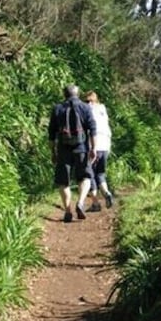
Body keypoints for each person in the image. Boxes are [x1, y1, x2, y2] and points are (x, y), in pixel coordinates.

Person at [47, 84, 97, 223]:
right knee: (85, 177)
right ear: (78, 94)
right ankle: (80, 202)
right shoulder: (85, 107)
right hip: (81, 148)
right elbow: (92, 129)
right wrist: (93, 148)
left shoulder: (58, 109)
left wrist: (53, 151)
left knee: (63, 181)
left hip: (63, 150)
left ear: (64, 94)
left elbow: (51, 133)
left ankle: (68, 211)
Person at [84, 90, 114, 212]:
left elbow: (89, 130)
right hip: (106, 145)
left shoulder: (88, 111)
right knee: (100, 173)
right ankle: (106, 193)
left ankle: (95, 203)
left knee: (89, 173)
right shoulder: (103, 109)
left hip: (93, 146)